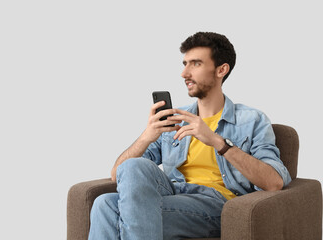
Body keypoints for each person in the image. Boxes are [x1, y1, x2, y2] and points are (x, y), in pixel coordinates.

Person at [88, 32, 292, 240]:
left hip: (215, 203)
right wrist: (147, 136)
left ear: (221, 70)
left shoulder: (251, 120)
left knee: (106, 207)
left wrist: (217, 142)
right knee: (123, 178)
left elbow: (274, 182)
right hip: (172, 191)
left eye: (195, 64)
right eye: (185, 64)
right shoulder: (176, 118)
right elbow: (118, 175)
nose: (184, 73)